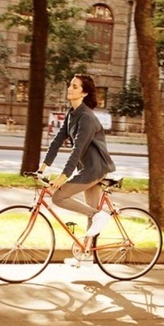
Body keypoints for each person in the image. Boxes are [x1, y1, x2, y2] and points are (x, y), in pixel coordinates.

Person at [38, 74, 117, 267]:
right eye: (70, 85)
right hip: (87, 168)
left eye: (74, 86)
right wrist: (43, 167)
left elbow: (77, 149)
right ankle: (86, 255)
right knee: (92, 211)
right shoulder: (72, 114)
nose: (70, 89)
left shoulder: (87, 117)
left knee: (58, 197)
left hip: (94, 169)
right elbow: (57, 141)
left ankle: (99, 217)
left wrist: (63, 176)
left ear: (84, 92)